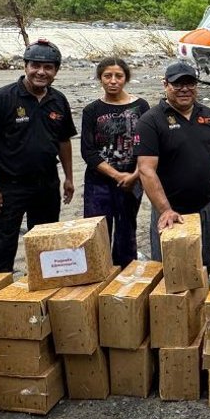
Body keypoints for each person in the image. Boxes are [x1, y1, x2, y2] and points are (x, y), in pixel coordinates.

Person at [0, 39, 77, 274]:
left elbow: (64, 141)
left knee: (46, 244)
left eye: (48, 67)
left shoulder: (58, 101)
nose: (41, 72)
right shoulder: (0, 99)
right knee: (2, 246)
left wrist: (69, 178)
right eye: (35, 66)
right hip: (9, 186)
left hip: (47, 185)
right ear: (25, 67)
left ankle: (42, 297)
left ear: (56, 71)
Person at [135, 61, 210, 270]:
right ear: (165, 85)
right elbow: (146, 169)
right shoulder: (151, 121)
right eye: (177, 84)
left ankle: (199, 300)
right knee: (169, 269)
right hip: (172, 209)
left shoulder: (207, 114)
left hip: (208, 205)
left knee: (203, 264)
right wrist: (165, 210)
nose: (184, 89)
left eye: (189, 83)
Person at [80, 57, 149, 267]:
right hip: (98, 182)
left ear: (125, 78)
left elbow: (147, 146)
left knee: (126, 231)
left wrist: (136, 175)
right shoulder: (92, 110)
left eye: (118, 76)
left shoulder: (141, 106)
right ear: (100, 78)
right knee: (97, 232)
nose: (113, 81)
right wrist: (117, 175)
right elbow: (88, 152)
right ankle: (98, 276)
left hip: (133, 180)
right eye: (107, 76)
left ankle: (125, 280)